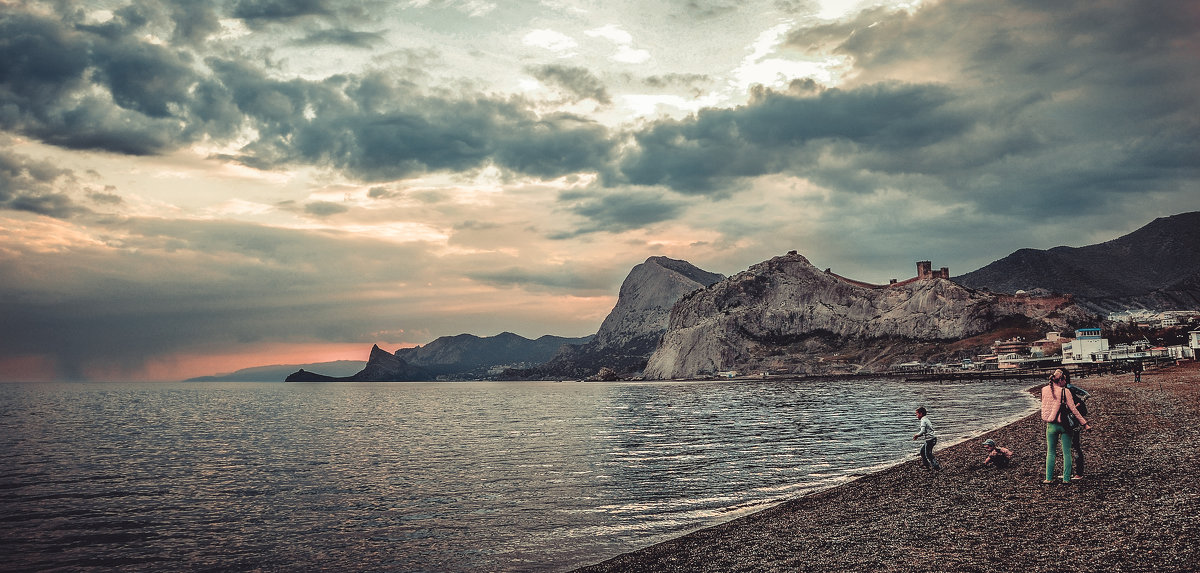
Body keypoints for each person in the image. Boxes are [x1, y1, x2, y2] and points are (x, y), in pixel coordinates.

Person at [1041, 369, 1091, 484]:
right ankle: (1066, 478)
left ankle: (1048, 478)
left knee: (1051, 452)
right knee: (1067, 452)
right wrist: (1085, 424)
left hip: (1051, 424)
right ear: (1062, 380)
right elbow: (1074, 410)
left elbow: (1046, 405)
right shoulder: (1065, 391)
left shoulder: (1044, 390)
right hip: (1065, 425)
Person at [1065, 375, 1092, 480]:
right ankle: (1070, 472)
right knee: (1069, 446)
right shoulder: (1063, 389)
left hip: (1074, 419)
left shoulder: (1069, 387)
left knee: (1075, 446)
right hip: (1070, 418)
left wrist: (1076, 406)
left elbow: (1086, 395)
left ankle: (1078, 473)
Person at [912, 406, 941, 471]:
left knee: (928, 454)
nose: (916, 416)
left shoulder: (923, 421)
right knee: (922, 452)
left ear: (921, 414)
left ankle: (936, 467)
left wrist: (917, 435)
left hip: (930, 440)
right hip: (931, 439)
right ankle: (926, 465)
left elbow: (923, 431)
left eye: (917, 414)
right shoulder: (926, 419)